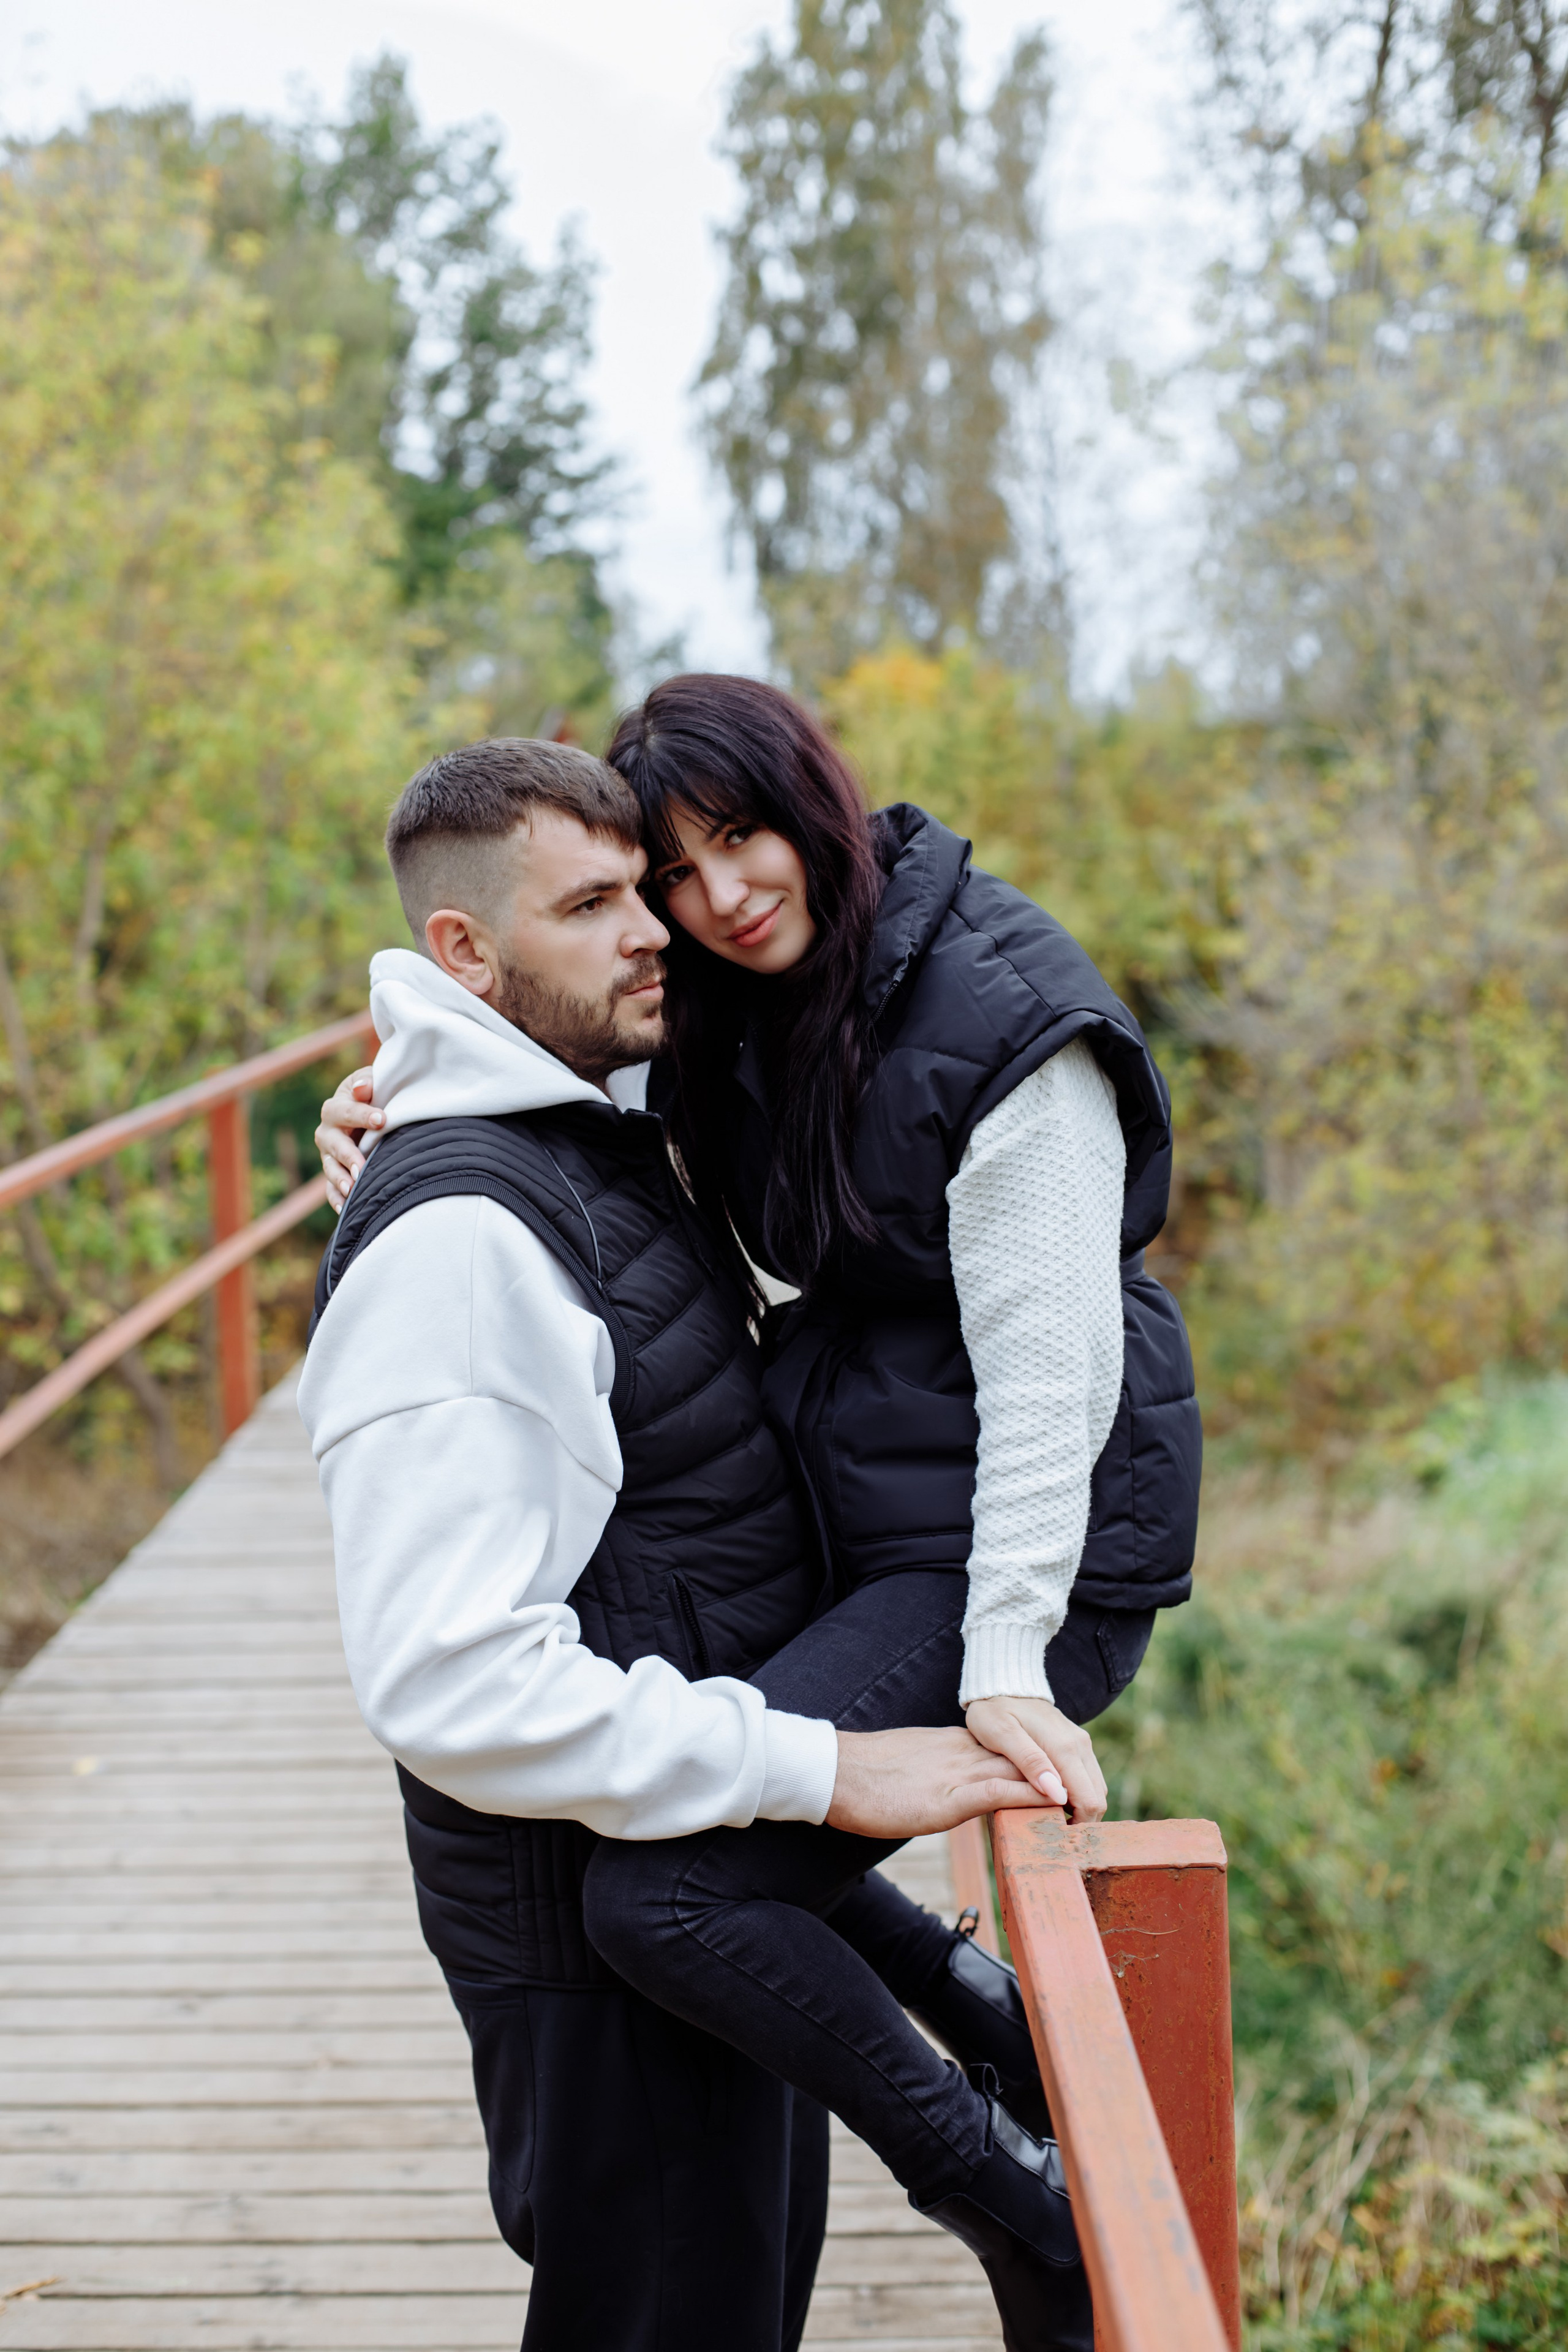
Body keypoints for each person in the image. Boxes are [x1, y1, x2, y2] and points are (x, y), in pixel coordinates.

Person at [318, 685, 1202, 2352]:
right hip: (586, 1856)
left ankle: (1003, 2121)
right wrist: (399, 1130)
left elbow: (1049, 1365)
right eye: (628, 892)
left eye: (714, 856)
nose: (687, 914)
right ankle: (1010, 2170)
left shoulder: (949, 1013)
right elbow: (446, 1668)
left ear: (825, 805)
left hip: (991, 1543)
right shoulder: (563, 1142)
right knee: (673, 2253)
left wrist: (1005, 1653)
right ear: (466, 948)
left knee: (700, 2092)